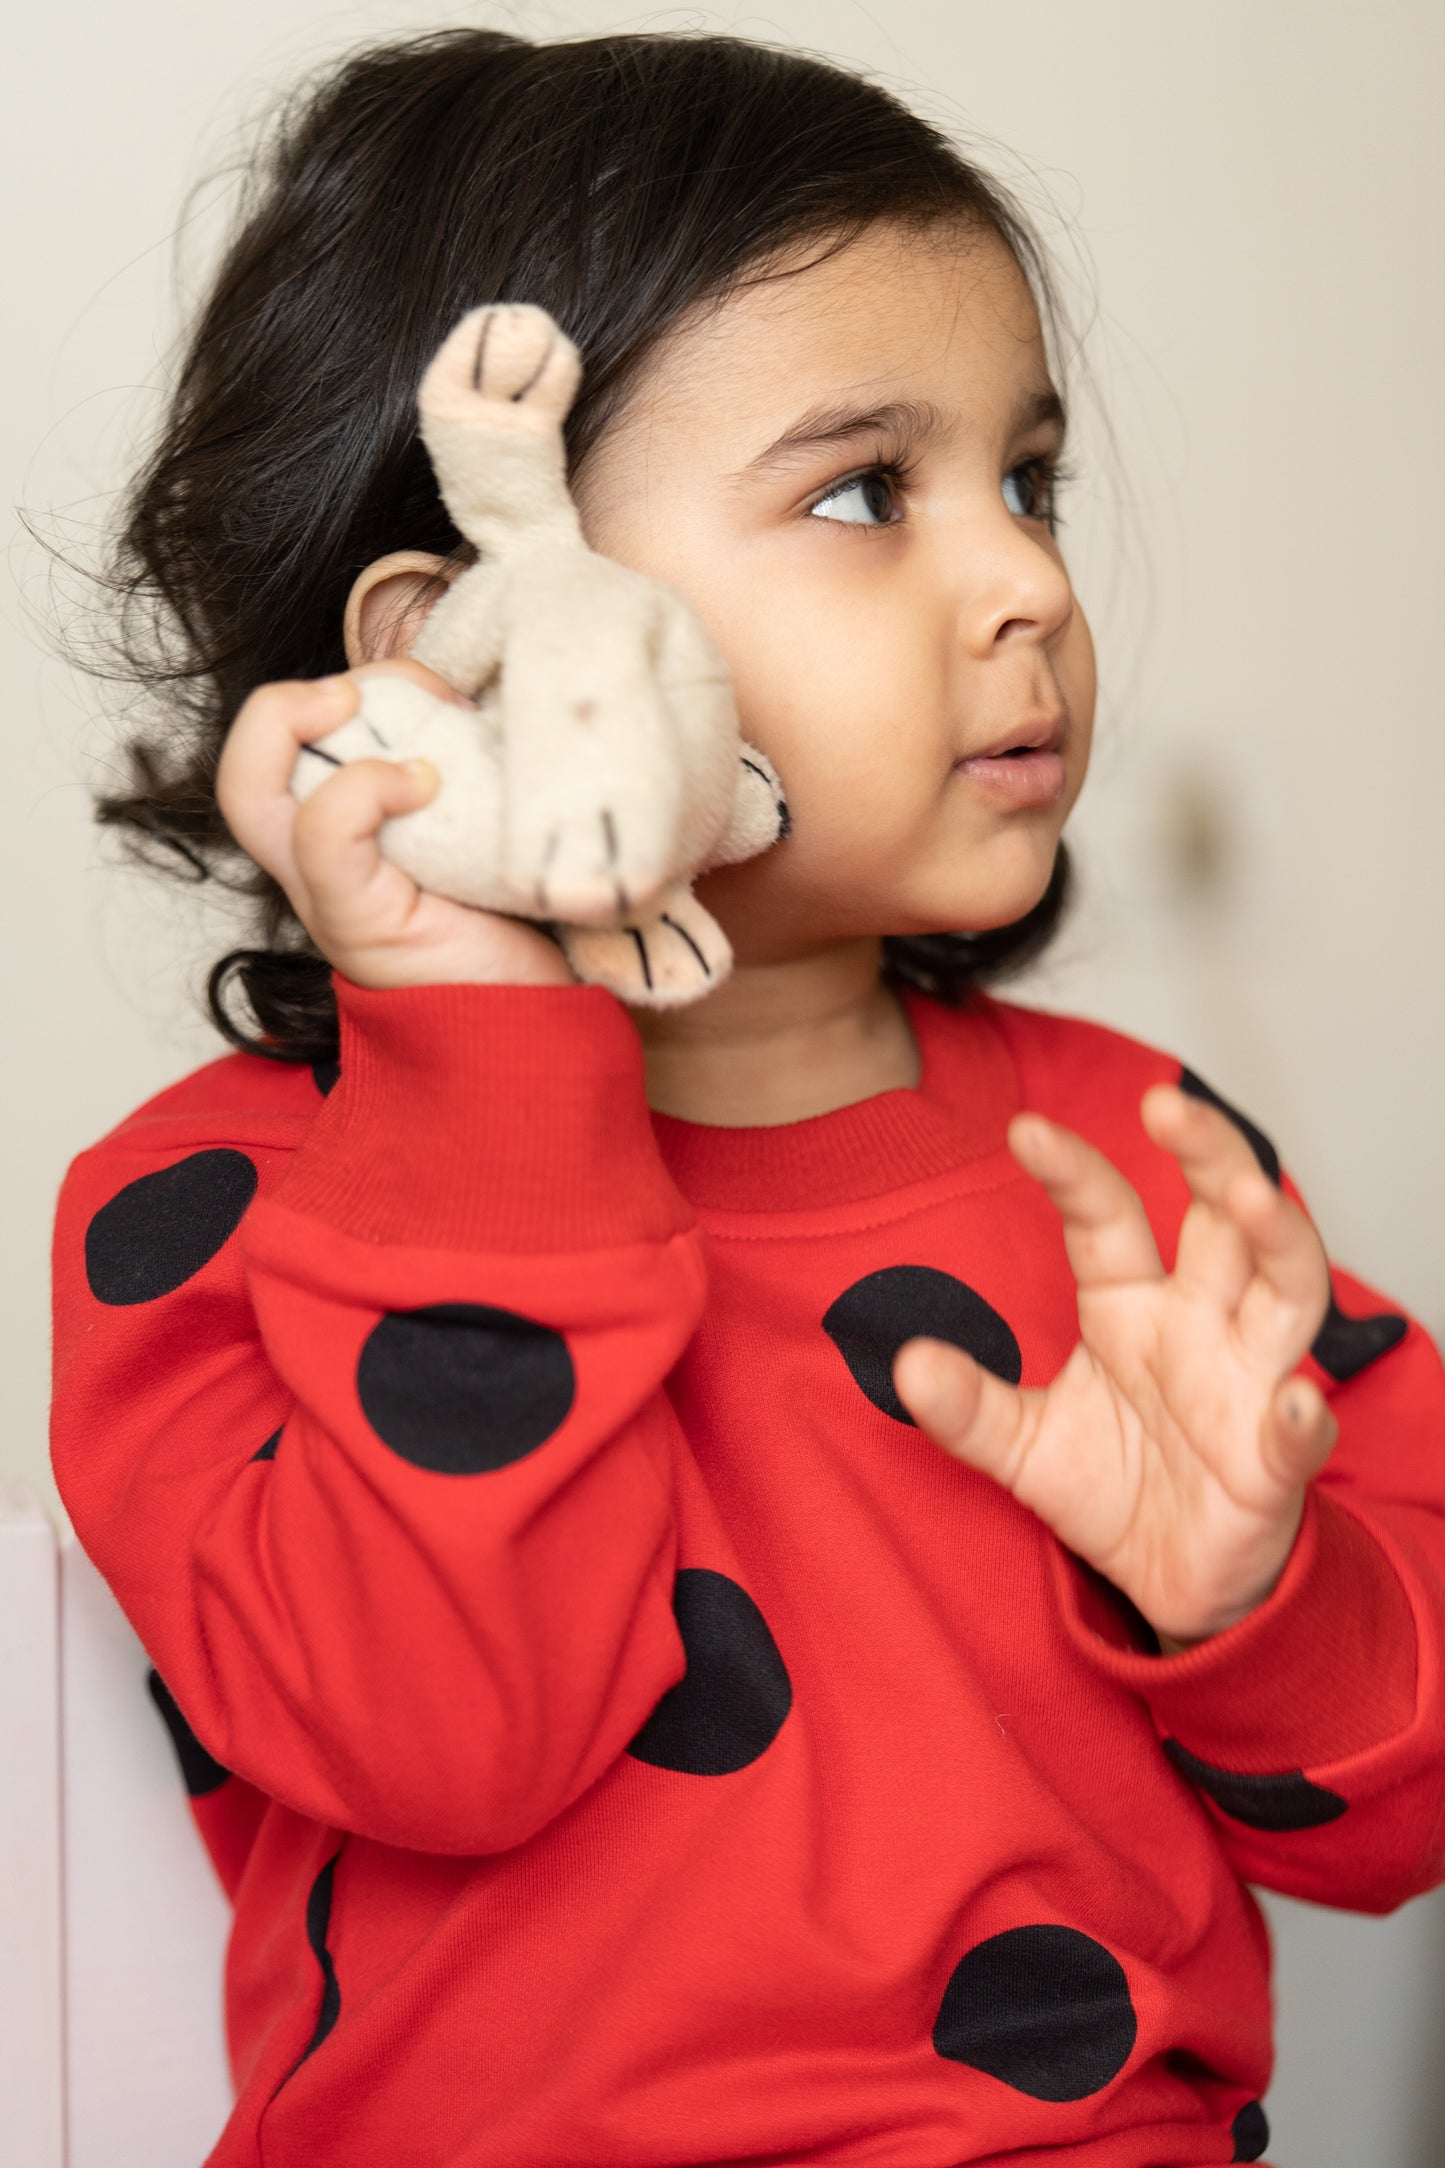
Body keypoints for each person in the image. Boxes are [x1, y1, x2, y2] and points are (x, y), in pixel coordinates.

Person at [48, 27, 1445, 2168]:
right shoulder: (207, 1210)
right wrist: (483, 1041)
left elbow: (1400, 1823)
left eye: (1030, 477)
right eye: (867, 492)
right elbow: (448, 1738)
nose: (1033, 588)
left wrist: (1254, 1601)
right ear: (463, 648)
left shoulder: (1128, 1168)